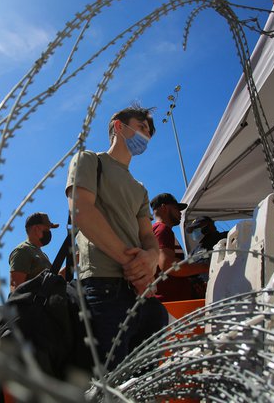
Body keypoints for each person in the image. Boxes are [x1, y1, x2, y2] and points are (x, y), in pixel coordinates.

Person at [66, 104, 168, 371]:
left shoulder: (140, 189)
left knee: (145, 383)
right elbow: (81, 210)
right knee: (109, 384)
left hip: (140, 295)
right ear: (118, 125)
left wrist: (149, 258)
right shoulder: (90, 160)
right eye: (142, 126)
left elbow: (148, 235)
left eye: (150, 132)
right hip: (102, 287)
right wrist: (134, 265)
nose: (146, 135)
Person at [150, 193, 209, 302]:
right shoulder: (163, 230)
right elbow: (168, 265)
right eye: (176, 208)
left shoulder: (154, 230)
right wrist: (206, 267)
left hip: (167, 302)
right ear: (164, 208)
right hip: (173, 303)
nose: (180, 213)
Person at [8, 212, 59, 292]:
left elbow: (51, 280)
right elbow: (15, 290)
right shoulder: (22, 250)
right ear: (36, 229)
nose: (49, 233)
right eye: (47, 229)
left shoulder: (42, 254)